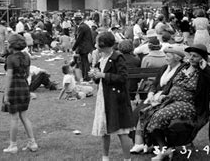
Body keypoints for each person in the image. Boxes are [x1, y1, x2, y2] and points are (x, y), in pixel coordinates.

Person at [140, 43, 210, 160]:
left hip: (188, 105)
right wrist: (163, 94)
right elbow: (171, 83)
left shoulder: (204, 72)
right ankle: (165, 148)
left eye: (195, 56)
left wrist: (206, 68)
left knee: (158, 117)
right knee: (147, 113)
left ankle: (164, 149)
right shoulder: (183, 67)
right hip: (170, 101)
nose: (191, 58)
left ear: (202, 58)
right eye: (190, 55)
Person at [130, 46, 185, 154]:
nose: (166, 58)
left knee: (145, 112)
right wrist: (151, 93)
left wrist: (160, 95)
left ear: (177, 58)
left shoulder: (180, 70)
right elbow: (155, 84)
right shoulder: (164, 68)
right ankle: (140, 143)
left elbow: (174, 87)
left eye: (168, 56)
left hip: (167, 98)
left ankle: (142, 143)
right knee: (137, 111)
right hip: (155, 96)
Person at [89, 32, 134, 161]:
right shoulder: (100, 58)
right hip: (104, 98)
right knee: (104, 130)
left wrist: (103, 76)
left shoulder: (117, 57)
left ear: (103, 45)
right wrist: (95, 75)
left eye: (97, 43)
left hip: (117, 99)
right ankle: (105, 157)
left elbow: (123, 78)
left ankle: (127, 159)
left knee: (122, 131)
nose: (95, 45)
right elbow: (99, 79)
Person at [2, 34, 38, 154]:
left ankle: (13, 145)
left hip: (13, 88)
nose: (6, 44)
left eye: (8, 43)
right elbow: (28, 74)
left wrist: (6, 94)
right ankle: (32, 143)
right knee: (24, 116)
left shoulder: (11, 58)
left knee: (14, 118)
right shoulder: (27, 56)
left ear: (12, 45)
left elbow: (9, 76)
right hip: (24, 87)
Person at [72, 12, 95, 81]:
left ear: (77, 20)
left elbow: (79, 39)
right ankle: (86, 76)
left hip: (83, 47)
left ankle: (86, 77)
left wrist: (74, 47)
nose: (74, 22)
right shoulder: (85, 26)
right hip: (88, 47)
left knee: (84, 62)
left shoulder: (81, 27)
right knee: (85, 62)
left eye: (75, 20)